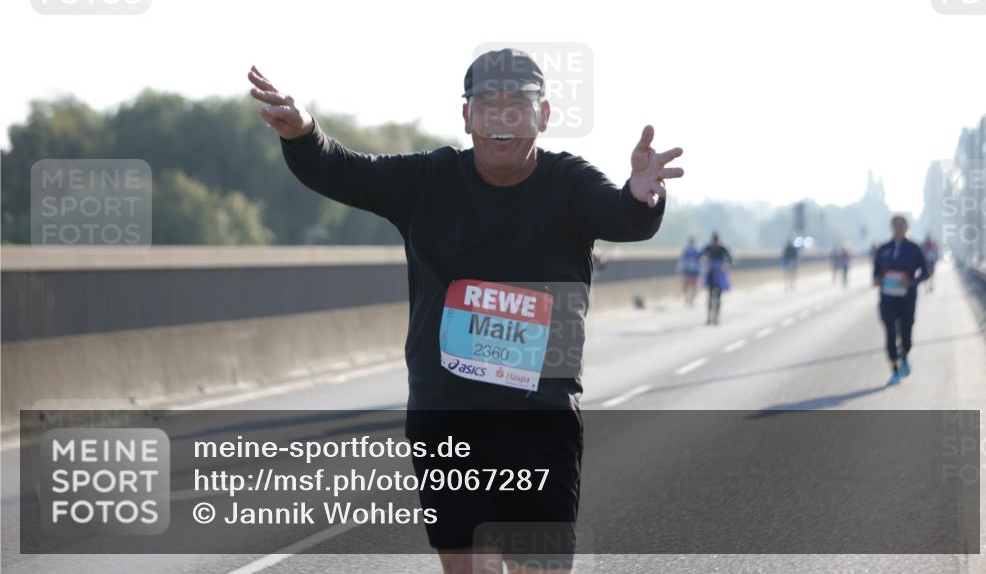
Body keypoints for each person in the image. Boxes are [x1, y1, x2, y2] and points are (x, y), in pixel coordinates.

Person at [248, 48, 684, 574]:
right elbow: (342, 170)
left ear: (543, 116)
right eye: (488, 105)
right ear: (466, 116)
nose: (502, 119)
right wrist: (303, 131)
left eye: (518, 106)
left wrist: (641, 197)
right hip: (447, 414)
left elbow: (622, 217)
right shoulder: (429, 181)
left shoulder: (569, 183)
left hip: (540, 415)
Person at [872, 215, 928, 385]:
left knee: (906, 334)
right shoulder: (883, 249)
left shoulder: (914, 249)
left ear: (906, 227)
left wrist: (911, 282)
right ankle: (894, 371)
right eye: (895, 225)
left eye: (901, 225)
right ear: (891, 227)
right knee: (889, 334)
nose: (898, 228)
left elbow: (926, 272)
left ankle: (904, 355)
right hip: (887, 298)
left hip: (907, 298)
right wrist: (877, 279)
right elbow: (875, 271)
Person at [700, 232, 733, 325]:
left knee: (718, 296)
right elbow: (700, 255)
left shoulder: (723, 248)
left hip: (719, 274)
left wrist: (726, 265)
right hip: (711, 273)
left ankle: (716, 317)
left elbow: (731, 259)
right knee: (710, 296)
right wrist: (703, 259)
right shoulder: (708, 248)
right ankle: (709, 317)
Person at [678, 236, 702, 307]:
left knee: (690, 285)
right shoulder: (692, 250)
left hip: (692, 270)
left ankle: (689, 300)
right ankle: (689, 300)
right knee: (689, 285)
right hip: (689, 270)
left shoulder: (693, 250)